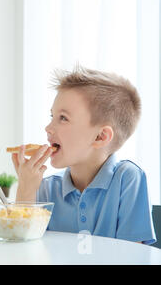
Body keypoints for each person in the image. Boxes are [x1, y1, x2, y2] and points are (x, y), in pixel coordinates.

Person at [11, 66, 156, 244]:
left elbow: (133, 256)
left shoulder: (128, 179)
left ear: (100, 136)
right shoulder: (46, 189)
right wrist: (25, 189)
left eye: (63, 118)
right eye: (52, 116)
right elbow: (21, 252)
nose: (48, 128)